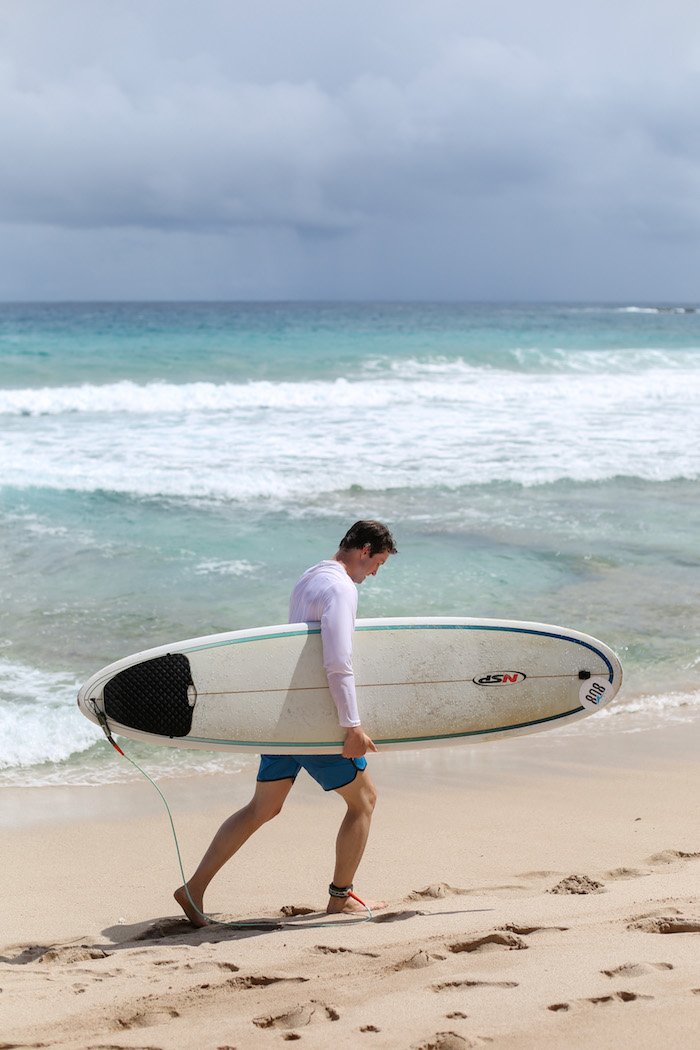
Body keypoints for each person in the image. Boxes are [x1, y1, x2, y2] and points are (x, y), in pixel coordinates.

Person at [174, 520, 397, 925]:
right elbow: (337, 662)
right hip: (314, 722)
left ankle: (194, 889)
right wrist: (352, 726)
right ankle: (340, 897)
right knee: (364, 801)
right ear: (364, 551)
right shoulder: (341, 588)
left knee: (263, 807)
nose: (375, 573)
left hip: (283, 716)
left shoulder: (310, 577)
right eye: (377, 563)